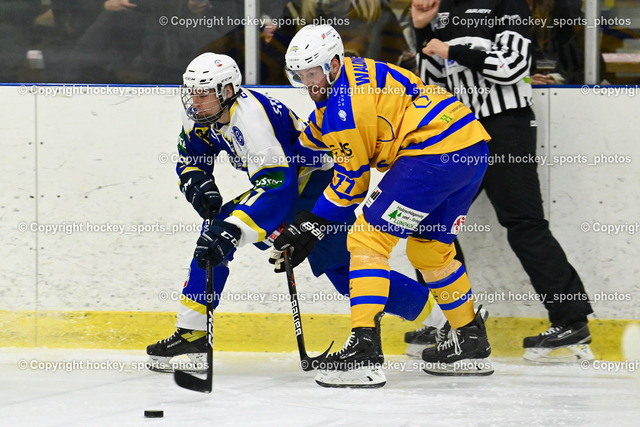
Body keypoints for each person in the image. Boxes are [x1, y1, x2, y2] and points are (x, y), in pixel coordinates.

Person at [145, 52, 446, 373]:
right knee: (219, 241)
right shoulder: (199, 113)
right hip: (284, 186)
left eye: (203, 93)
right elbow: (192, 152)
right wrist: (195, 178)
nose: (195, 101)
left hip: (316, 188)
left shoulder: (254, 122)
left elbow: (278, 189)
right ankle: (193, 332)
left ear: (228, 91)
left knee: (346, 273)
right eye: (191, 92)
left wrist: (236, 228)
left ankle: (444, 323)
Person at [274, 24, 493, 388]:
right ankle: (470, 339)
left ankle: (363, 353)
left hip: (431, 156)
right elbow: (329, 126)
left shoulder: (346, 109)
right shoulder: (356, 70)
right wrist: (299, 151)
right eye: (300, 74)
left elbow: (350, 185)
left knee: (365, 240)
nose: (307, 81)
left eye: (312, 72)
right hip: (470, 148)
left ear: (332, 64)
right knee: (430, 251)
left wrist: (311, 224)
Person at [411, 0, 594, 363]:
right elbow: (431, 80)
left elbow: (512, 66)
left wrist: (449, 48)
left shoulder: (507, 2)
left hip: (506, 126)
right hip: (459, 131)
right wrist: (422, 30)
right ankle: (453, 322)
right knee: (427, 224)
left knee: (524, 223)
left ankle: (570, 320)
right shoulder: (442, 8)